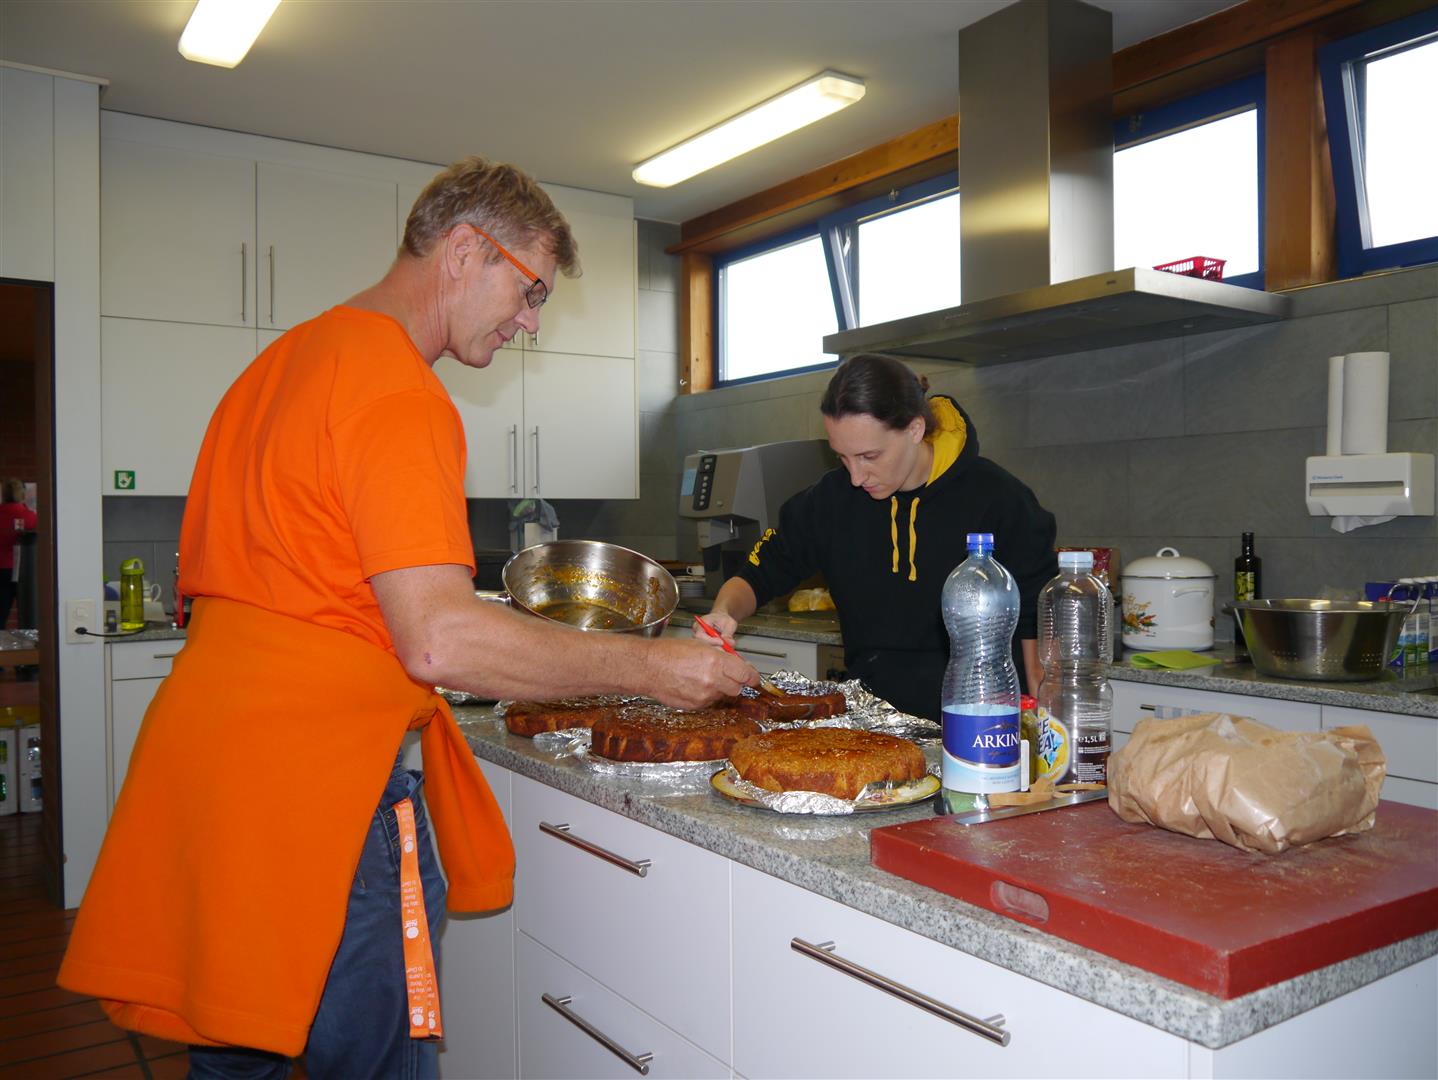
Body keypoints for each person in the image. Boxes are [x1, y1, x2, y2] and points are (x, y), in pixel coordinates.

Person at [59, 157, 757, 1079]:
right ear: (465, 251)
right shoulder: (397, 390)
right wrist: (656, 667)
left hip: (211, 770)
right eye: (530, 290)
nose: (531, 321)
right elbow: (440, 639)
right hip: (320, 789)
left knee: (236, 1057)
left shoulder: (280, 365)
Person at [697, 353, 1057, 721]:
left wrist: (1044, 721)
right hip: (871, 724)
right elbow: (761, 571)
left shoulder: (998, 499)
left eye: (869, 456)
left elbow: (1039, 620)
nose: (856, 477)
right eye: (842, 457)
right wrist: (723, 613)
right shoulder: (830, 501)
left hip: (978, 722)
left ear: (914, 430)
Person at [0, 479, 37, 631]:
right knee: (30, 616)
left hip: (1, 569)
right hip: (25, 571)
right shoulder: (30, 516)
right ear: (22, 494)